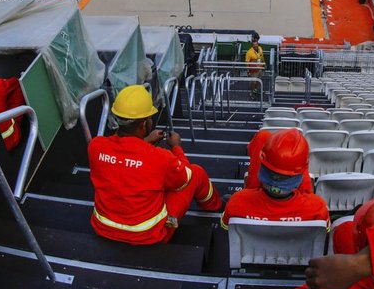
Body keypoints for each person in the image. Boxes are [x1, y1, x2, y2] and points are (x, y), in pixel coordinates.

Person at [88, 85, 222, 245]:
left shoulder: (95, 146)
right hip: (150, 235)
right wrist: (177, 147)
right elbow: (183, 178)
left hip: (103, 228)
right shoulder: (160, 157)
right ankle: (216, 207)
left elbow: (123, 162)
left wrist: (144, 142)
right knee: (196, 173)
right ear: (144, 124)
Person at [221, 129, 328, 229]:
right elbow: (324, 237)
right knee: (295, 157)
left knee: (263, 137)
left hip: (251, 248)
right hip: (299, 247)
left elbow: (227, 229)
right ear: (301, 175)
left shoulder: (237, 203)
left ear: (261, 167)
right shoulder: (317, 208)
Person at [245, 32, 264, 98]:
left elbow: (262, 57)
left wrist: (264, 64)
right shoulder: (249, 52)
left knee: (259, 81)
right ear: (252, 45)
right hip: (253, 70)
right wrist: (248, 71)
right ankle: (251, 93)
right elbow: (247, 62)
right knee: (253, 82)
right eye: (254, 44)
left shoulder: (260, 48)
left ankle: (256, 90)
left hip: (260, 69)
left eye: (256, 43)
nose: (255, 45)